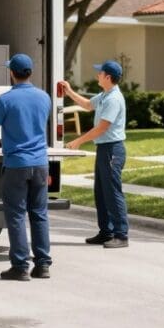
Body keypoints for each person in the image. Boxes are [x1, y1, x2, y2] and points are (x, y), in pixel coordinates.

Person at [0, 53, 53, 281]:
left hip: (17, 164)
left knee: (16, 215)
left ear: (11, 73)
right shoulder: (44, 97)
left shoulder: (5, 100)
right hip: (40, 163)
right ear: (31, 73)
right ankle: (43, 265)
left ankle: (20, 266)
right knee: (39, 214)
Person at [58, 60, 129, 249]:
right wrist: (69, 91)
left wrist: (78, 141)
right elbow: (88, 105)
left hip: (112, 149)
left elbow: (102, 128)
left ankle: (121, 235)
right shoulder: (105, 95)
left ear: (108, 77)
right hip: (104, 149)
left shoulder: (114, 99)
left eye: (100, 73)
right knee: (101, 192)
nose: (97, 75)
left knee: (112, 192)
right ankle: (106, 232)